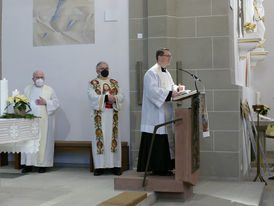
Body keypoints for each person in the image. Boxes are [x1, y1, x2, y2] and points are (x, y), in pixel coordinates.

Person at [137, 48, 184, 176]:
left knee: (165, 139)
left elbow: (171, 85)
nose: (170, 58)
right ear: (159, 57)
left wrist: (177, 88)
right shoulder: (151, 73)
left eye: (170, 55)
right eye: (167, 55)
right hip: (155, 114)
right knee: (158, 138)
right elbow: (152, 91)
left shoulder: (166, 73)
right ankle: (157, 168)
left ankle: (165, 167)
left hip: (165, 112)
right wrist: (170, 93)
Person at [88, 61, 124, 176]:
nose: (105, 69)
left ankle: (116, 166)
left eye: (106, 68)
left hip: (112, 114)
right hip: (100, 115)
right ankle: (99, 167)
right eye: (102, 68)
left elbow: (122, 95)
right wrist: (106, 97)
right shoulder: (93, 83)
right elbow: (92, 96)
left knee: (113, 138)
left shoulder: (114, 82)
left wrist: (115, 98)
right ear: (97, 70)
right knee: (100, 138)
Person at [21, 70, 60, 173]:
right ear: (33, 79)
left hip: (43, 122)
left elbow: (56, 103)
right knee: (29, 143)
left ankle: (42, 165)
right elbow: (21, 103)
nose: (40, 79)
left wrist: (46, 102)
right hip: (29, 121)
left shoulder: (49, 90)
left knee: (42, 142)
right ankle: (28, 165)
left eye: (42, 77)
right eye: (37, 77)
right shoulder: (27, 89)